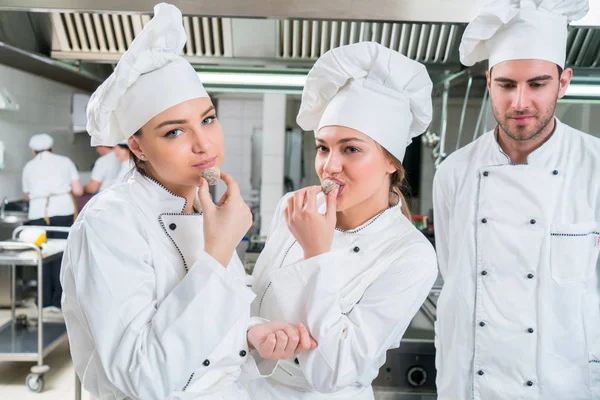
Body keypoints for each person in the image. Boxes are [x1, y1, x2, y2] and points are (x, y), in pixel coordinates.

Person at [60, 4, 315, 400]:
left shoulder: (198, 204)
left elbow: (202, 340)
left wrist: (251, 334)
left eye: (208, 119)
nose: (203, 144)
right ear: (137, 146)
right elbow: (143, 377)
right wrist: (217, 253)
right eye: (175, 132)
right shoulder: (109, 224)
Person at [248, 42, 439, 400]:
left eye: (351, 149)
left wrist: (316, 253)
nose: (329, 166)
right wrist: (253, 330)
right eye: (323, 147)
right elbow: (255, 299)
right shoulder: (294, 205)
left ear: (391, 163)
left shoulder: (411, 255)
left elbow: (332, 373)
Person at [433, 1, 600, 399]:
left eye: (538, 84)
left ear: (563, 82)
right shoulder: (454, 174)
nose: (520, 102)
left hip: (565, 385)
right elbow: (453, 277)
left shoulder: (596, 168)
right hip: (472, 386)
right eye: (507, 84)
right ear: (489, 81)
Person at [22, 132, 83, 312]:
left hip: (38, 213)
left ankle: (43, 300)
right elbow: (78, 190)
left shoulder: (28, 166)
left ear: (33, 151)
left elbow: (26, 195)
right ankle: (59, 301)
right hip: (63, 211)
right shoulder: (65, 161)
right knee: (62, 256)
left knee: (40, 254)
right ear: (52, 148)